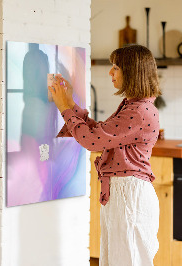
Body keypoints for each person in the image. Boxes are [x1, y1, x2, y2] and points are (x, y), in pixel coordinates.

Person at [48, 44, 161, 266]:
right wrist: (70, 103)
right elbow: (100, 133)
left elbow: (92, 140)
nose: (110, 72)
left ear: (132, 72)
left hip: (129, 195)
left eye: (116, 67)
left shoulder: (138, 111)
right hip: (123, 193)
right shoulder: (134, 106)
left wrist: (64, 108)